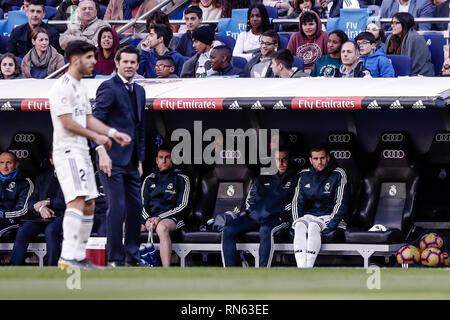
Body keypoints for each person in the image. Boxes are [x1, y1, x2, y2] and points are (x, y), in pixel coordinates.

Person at [49, 40, 132, 270]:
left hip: (81, 151)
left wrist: (113, 133)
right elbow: (67, 122)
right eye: (89, 57)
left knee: (89, 203)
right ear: (75, 60)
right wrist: (96, 138)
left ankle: (79, 256)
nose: (94, 62)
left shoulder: (79, 87)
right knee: (76, 200)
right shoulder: (61, 87)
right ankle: (67, 256)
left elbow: (87, 118)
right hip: (67, 151)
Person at [93, 45, 147, 267]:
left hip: (132, 161)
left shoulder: (140, 91)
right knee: (117, 207)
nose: (129, 66)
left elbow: (139, 128)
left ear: (137, 64)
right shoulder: (108, 87)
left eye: (132, 62)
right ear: (116, 63)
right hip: (110, 159)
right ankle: (116, 259)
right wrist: (101, 152)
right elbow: (96, 122)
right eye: (125, 62)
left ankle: (132, 257)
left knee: (136, 208)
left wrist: (140, 159)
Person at [221, 148, 299, 267]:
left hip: (278, 218)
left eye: (284, 159)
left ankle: (263, 270)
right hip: (256, 216)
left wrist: (275, 211)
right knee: (228, 229)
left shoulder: (297, 177)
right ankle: (230, 271)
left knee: (265, 230)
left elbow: (296, 202)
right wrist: (254, 211)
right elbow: (250, 200)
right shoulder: (262, 177)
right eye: (278, 159)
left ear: (290, 160)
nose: (281, 162)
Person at [291, 145, 348, 268]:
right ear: (311, 160)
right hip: (309, 216)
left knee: (313, 226)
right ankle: (301, 268)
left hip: (329, 217)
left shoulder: (338, 174)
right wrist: (295, 222)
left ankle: (308, 268)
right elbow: (296, 202)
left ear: (327, 158)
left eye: (322, 158)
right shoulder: (303, 175)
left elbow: (340, 203)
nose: (319, 162)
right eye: (316, 159)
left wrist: (330, 227)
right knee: (300, 225)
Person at [10, 155, 65, 266]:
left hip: (61, 216)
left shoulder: (72, 177)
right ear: (51, 160)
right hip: (40, 217)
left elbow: (72, 202)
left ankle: (52, 269)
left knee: (51, 230)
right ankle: (13, 268)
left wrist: (48, 202)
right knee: (24, 230)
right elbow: (31, 202)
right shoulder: (43, 177)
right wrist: (41, 208)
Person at [141, 145, 190, 267]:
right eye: (161, 157)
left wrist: (159, 218)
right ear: (156, 160)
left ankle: (165, 271)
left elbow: (183, 205)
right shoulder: (149, 179)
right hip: (150, 218)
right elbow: (141, 203)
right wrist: (147, 219)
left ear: (173, 159)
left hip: (173, 218)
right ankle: (129, 266)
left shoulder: (182, 179)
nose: (163, 161)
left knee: (161, 228)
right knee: (127, 227)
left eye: (167, 157)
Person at [0, 152, 33, 240]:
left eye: (9, 163)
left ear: (16, 164)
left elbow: (23, 210)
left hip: (12, 220)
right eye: (1, 162)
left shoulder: (25, 182)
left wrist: (3, 214)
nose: (4, 166)